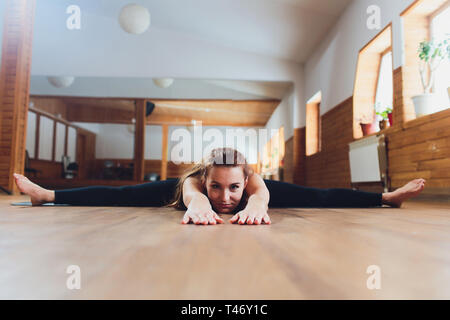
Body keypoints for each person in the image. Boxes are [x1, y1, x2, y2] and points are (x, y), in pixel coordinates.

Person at [13, 147, 425, 225]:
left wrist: (257, 204)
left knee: (316, 195)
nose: (226, 198)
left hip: (257, 186)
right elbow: (192, 194)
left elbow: (262, 194)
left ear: (243, 180)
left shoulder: (252, 183)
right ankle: (46, 195)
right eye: (217, 188)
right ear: (207, 178)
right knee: (125, 193)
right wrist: (197, 204)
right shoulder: (195, 183)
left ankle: (386, 198)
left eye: (233, 190)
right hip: (177, 192)